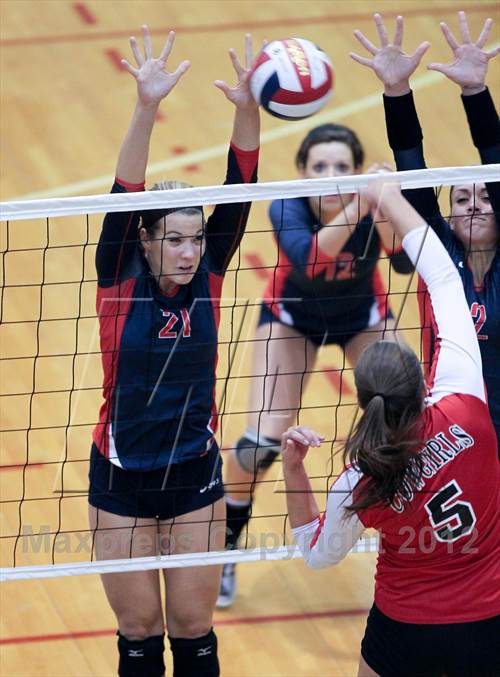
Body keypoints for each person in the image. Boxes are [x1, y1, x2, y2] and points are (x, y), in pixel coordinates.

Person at [88, 26, 259, 677]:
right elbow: (123, 195)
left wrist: (247, 106)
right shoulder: (119, 277)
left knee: (192, 630)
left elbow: (241, 180)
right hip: (121, 476)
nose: (190, 252)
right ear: (148, 240)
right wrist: (146, 106)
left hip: (193, 475)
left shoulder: (210, 274)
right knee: (138, 631)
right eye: (176, 240)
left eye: (196, 239)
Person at [282, 176, 500, 677]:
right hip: (488, 621)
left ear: (363, 402)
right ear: (423, 379)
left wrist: (295, 470)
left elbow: (316, 554)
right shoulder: (467, 404)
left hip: (404, 631)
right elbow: (446, 279)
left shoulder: (364, 477)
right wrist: (389, 195)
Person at [218, 123, 414, 607]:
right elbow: (310, 258)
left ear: (356, 171)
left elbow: (405, 264)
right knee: (258, 445)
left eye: (343, 167)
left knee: (416, 420)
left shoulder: (371, 205)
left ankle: (416, 540)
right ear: (303, 172)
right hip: (293, 319)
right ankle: (222, 543)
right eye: (320, 167)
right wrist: (364, 202)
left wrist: (388, 204)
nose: (330, 176)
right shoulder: (286, 205)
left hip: (362, 316)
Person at [351, 11, 500, 454]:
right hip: (450, 432)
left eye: (486, 197)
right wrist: (396, 91)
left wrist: (475, 92)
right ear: (448, 216)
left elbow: (496, 161)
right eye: (460, 199)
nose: (473, 204)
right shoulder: (437, 252)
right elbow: (411, 167)